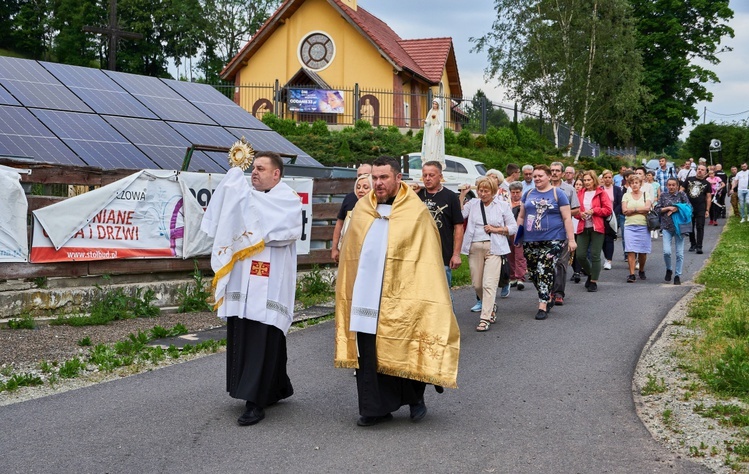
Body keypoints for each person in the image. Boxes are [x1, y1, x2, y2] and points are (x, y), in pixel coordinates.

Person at [334, 155, 460, 427]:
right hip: (368, 295)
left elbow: (426, 258)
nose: (378, 183)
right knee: (369, 350)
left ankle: (415, 399)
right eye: (374, 178)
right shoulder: (363, 210)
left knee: (405, 341)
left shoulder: (416, 213)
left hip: (405, 292)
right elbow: (351, 254)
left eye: (383, 178)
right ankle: (374, 407)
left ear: (397, 178)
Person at [201, 151, 303, 426]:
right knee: (248, 332)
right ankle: (276, 388)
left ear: (276, 174)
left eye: (260, 168)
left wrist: (246, 211)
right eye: (252, 168)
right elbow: (228, 221)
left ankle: (254, 402)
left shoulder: (288, 201)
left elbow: (284, 232)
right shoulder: (245, 198)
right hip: (243, 279)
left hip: (271, 282)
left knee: (264, 335)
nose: (254, 173)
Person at [516, 165, 576, 320]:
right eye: (535, 176)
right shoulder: (528, 193)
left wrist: (571, 239)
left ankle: (542, 305)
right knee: (534, 271)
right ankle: (547, 294)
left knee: (544, 268)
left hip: (554, 238)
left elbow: (567, 218)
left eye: (540, 176)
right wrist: (518, 235)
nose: (537, 178)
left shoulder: (558, 194)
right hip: (531, 239)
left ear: (549, 177)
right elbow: (522, 216)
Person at [460, 176, 517, 331]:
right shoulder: (472, 204)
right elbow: (459, 215)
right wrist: (462, 195)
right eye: (480, 190)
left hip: (494, 247)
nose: (482, 194)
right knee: (477, 284)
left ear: (494, 191)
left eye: (486, 191)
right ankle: (490, 305)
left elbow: (513, 228)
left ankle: (485, 318)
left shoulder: (502, 206)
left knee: (488, 284)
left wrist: (496, 229)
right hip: (474, 246)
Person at [417, 161, 464, 288]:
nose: (427, 178)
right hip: (420, 253)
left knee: (444, 293)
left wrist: (456, 254)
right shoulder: (416, 195)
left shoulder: (450, 197)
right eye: (424, 175)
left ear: (440, 176)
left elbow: (459, 226)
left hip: (442, 253)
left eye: (431, 175)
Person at [574, 171, 612, 292]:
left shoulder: (601, 193)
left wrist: (594, 211)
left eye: (589, 180)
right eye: (585, 180)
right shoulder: (580, 193)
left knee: (595, 254)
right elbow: (575, 212)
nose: (586, 182)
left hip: (597, 227)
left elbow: (608, 210)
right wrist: (581, 214)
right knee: (580, 255)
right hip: (583, 226)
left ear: (594, 180)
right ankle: (591, 273)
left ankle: (593, 281)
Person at [548, 162, 580, 306]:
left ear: (562, 173)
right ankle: (548, 291)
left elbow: (576, 209)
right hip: (545, 231)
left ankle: (559, 293)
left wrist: (563, 212)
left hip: (563, 230)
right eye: (552, 170)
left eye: (557, 171)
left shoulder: (569, 189)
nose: (554, 173)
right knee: (547, 262)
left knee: (561, 262)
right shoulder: (543, 188)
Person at [331, 163, 372, 262]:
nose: (362, 177)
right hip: (348, 252)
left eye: (366, 174)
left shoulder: (379, 204)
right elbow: (340, 223)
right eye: (359, 175)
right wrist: (334, 248)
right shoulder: (349, 198)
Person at [658, 178, 691, 286]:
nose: (671, 187)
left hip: (680, 228)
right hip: (666, 227)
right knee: (666, 251)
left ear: (677, 186)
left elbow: (689, 207)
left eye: (673, 185)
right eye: (669, 185)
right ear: (667, 186)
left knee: (679, 254)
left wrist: (677, 208)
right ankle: (669, 269)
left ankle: (677, 275)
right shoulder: (663, 196)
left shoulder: (682, 195)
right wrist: (668, 208)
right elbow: (657, 209)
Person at [622, 174, 652, 282]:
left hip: (643, 225)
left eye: (636, 183)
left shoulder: (646, 194)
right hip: (629, 226)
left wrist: (633, 210)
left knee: (643, 251)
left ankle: (642, 270)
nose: (634, 185)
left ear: (640, 184)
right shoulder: (626, 195)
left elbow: (647, 208)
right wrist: (640, 209)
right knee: (631, 250)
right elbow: (624, 210)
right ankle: (631, 274)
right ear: (629, 185)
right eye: (632, 183)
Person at [682, 164, 712, 254]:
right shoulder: (689, 180)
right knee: (690, 227)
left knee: (700, 226)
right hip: (689, 207)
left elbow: (708, 197)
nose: (700, 171)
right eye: (698, 169)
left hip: (701, 208)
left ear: (705, 172)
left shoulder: (707, 183)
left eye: (702, 170)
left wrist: (707, 210)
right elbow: (681, 191)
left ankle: (699, 246)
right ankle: (693, 244)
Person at [338, 173, 373, 250]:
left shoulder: (377, 212)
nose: (360, 190)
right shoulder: (352, 212)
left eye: (365, 187)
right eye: (358, 187)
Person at [600, 169, 623, 270]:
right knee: (602, 239)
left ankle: (609, 260)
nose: (608, 179)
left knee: (610, 238)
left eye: (609, 177)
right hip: (601, 216)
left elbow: (619, 202)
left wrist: (613, 212)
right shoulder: (599, 189)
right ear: (603, 179)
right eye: (606, 178)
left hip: (613, 216)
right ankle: (605, 257)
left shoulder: (617, 189)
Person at [508, 182, 527, 291]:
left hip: (520, 231)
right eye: (513, 192)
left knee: (519, 255)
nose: (515, 194)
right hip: (508, 231)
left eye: (517, 192)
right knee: (510, 254)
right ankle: (512, 277)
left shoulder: (524, 203)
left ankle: (520, 277)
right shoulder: (506, 203)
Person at [421, 99, 445, 167]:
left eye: (436, 104)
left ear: (438, 105)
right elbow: (429, 121)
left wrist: (438, 129)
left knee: (435, 145)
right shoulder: (431, 111)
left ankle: (435, 158)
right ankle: (429, 158)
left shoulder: (440, 112)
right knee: (429, 144)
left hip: (436, 129)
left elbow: (441, 123)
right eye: (433, 104)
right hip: (431, 129)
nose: (434, 105)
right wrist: (425, 121)